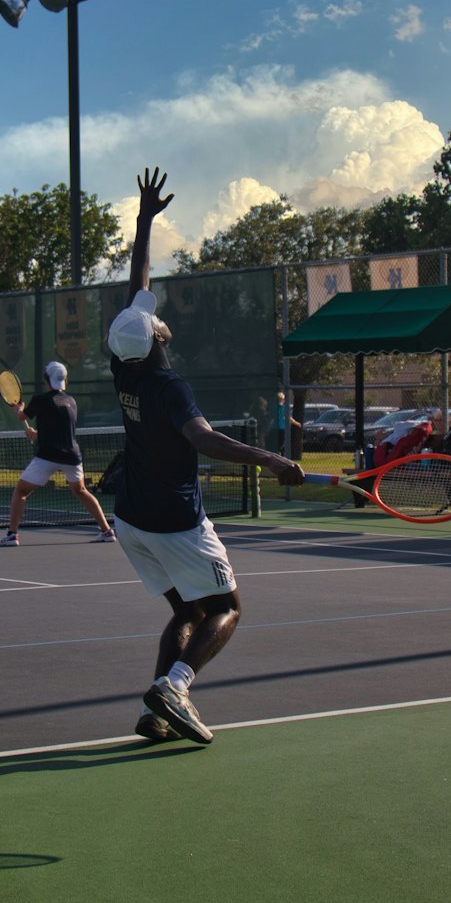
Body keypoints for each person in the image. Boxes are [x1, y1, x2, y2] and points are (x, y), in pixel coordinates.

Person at [108, 167, 305, 747]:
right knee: (227, 608)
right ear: (158, 339)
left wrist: (144, 222)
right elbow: (202, 440)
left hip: (131, 520)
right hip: (172, 520)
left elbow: (137, 280)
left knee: (185, 612)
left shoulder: (125, 361)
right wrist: (270, 461)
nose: (156, 317)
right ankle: (177, 686)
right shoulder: (172, 389)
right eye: (155, 323)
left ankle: (158, 709)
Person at [0, 361, 116, 546]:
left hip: (48, 456)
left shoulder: (40, 400)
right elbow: (58, 431)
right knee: (81, 491)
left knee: (20, 491)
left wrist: (19, 410)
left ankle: (12, 535)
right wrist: (36, 435)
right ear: (65, 380)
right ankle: (107, 531)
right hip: (72, 456)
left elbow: (22, 417)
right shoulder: (71, 402)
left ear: (46, 380)